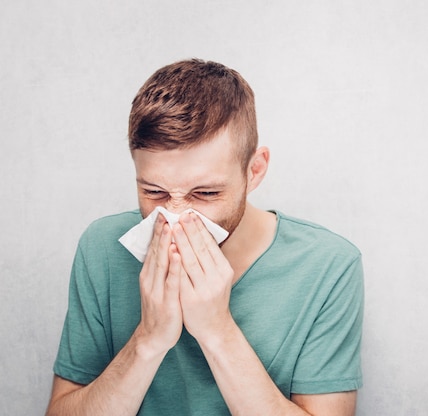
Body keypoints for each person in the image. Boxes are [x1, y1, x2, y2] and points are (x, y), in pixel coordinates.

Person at [46, 59, 364, 415]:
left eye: (206, 194)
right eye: (154, 191)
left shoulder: (329, 266)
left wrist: (217, 331)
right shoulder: (102, 248)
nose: (178, 217)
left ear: (254, 170)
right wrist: (149, 340)